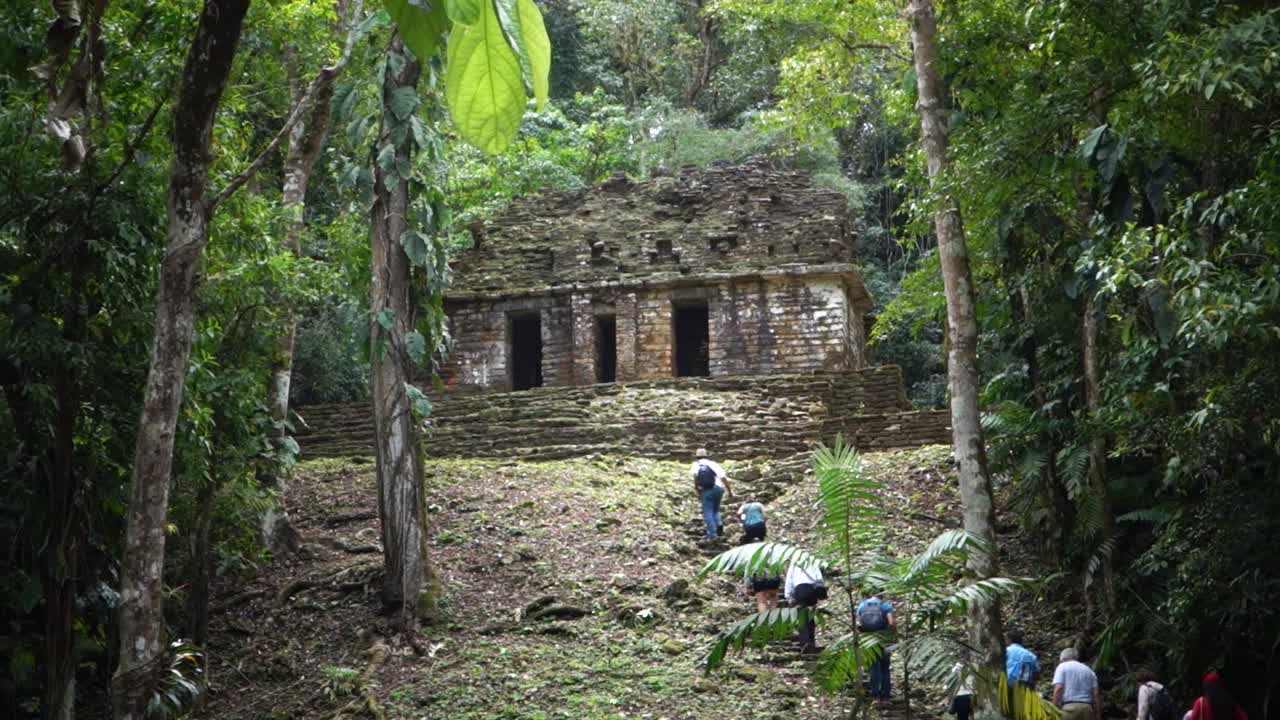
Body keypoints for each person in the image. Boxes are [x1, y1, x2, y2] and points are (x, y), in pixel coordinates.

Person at [857, 592, 896, 700]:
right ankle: (886, 695)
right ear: (881, 596)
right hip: (883, 639)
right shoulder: (885, 606)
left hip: (869, 641)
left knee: (874, 668)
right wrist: (892, 635)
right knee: (885, 667)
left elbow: (858, 624)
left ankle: (875, 694)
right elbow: (891, 623)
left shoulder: (862, 605)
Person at [784, 559, 825, 654]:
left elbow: (789, 581)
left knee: (802, 616)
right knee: (811, 616)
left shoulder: (793, 565)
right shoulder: (813, 563)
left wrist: (788, 596)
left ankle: (804, 641)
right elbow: (819, 578)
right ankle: (811, 641)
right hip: (811, 590)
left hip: (800, 590)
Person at [691, 448, 731, 540]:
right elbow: (723, 477)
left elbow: (696, 478)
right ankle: (719, 525)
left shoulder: (696, 465)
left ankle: (712, 534)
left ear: (697, 456)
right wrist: (729, 491)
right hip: (718, 489)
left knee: (708, 511)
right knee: (715, 509)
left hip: (707, 490)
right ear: (706, 455)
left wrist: (697, 489)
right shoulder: (713, 464)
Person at [1052, 648, 1101, 720]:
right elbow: (1096, 694)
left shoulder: (1062, 666)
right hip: (1087, 709)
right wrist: (1098, 715)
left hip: (1070, 709)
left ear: (1063, 658)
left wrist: (1053, 709)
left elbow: (1059, 688)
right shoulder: (1089, 671)